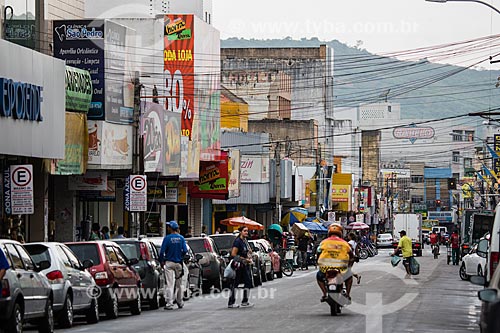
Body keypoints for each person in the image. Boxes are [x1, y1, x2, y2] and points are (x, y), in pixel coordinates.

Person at [316, 223, 354, 302]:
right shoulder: (345, 243)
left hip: (325, 268)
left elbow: (318, 252)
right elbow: (351, 255)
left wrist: (318, 261)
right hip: (341, 268)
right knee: (349, 277)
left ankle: (324, 294)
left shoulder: (323, 243)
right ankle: (347, 294)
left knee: (319, 276)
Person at [159, 221, 188, 310]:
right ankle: (180, 302)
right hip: (179, 263)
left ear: (171, 228)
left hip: (169, 263)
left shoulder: (167, 238)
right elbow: (185, 250)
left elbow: (162, 252)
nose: (167, 228)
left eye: (168, 227)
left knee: (170, 284)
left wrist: (161, 261)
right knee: (179, 284)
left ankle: (169, 303)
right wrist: (180, 256)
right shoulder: (181, 238)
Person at [228, 226, 254, 309]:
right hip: (238, 265)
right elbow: (233, 254)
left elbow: (246, 252)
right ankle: (231, 302)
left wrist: (249, 254)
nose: (246, 232)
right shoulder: (237, 241)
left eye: (247, 231)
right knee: (235, 283)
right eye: (245, 231)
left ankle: (245, 301)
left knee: (248, 282)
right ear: (240, 232)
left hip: (245, 265)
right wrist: (244, 259)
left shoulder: (245, 241)